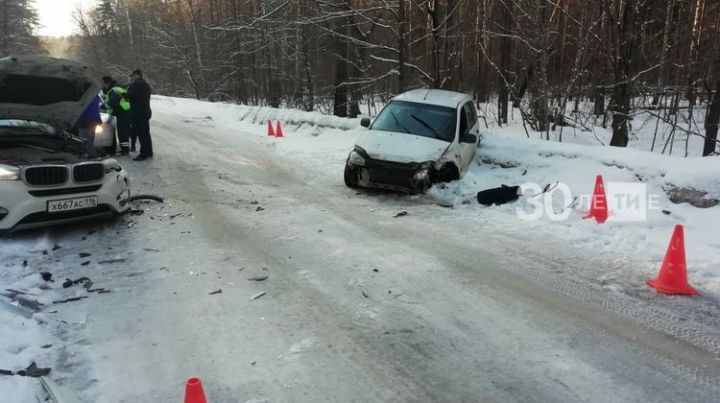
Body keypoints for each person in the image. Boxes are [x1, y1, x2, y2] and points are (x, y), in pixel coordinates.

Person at [127, 69, 153, 161]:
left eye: (132, 75)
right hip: (146, 111)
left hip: (138, 112)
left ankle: (143, 154)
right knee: (146, 133)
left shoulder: (136, 84)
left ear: (136, 75)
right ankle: (149, 151)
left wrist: (125, 95)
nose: (131, 77)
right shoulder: (146, 84)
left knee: (141, 133)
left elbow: (133, 95)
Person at [102, 76, 132, 155]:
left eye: (103, 84)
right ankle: (126, 148)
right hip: (125, 111)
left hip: (123, 111)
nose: (103, 86)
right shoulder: (116, 88)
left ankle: (125, 150)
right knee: (124, 130)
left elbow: (113, 102)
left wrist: (104, 106)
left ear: (107, 83)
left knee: (122, 131)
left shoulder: (113, 90)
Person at [77, 94, 102, 158]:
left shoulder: (82, 96)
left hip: (85, 119)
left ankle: (91, 154)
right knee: (91, 137)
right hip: (94, 119)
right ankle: (92, 153)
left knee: (85, 138)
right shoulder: (95, 94)